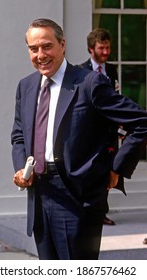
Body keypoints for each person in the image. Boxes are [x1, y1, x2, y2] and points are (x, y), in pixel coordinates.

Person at [11, 18, 147, 260]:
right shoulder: (26, 86)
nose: (40, 55)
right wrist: (22, 168)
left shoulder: (90, 83)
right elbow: (19, 134)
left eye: (47, 46)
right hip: (39, 197)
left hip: (78, 199)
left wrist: (117, 166)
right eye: (34, 49)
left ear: (62, 44)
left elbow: (141, 122)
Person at [79, 28, 122, 226]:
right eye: (101, 48)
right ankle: (88, 209)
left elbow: (117, 98)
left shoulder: (112, 71)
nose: (105, 52)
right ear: (91, 49)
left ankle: (101, 211)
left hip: (109, 131)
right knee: (91, 172)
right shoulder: (81, 71)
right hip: (89, 132)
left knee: (108, 171)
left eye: (108, 48)